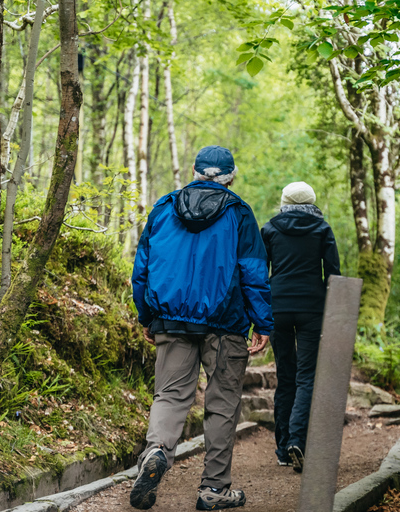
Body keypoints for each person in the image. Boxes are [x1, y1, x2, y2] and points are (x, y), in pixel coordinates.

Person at [131, 145, 273, 510]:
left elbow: (143, 266)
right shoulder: (239, 213)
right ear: (231, 176)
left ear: (194, 170)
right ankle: (214, 489)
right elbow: (254, 272)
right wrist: (263, 322)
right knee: (222, 402)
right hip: (225, 324)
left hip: (172, 318)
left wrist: (147, 314)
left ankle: (157, 451)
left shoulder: (165, 207)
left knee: (170, 395)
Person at [260, 181, 340, 473]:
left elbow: (259, 273)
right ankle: (298, 441)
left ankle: (282, 450)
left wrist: (258, 316)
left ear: (284, 201)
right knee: (307, 377)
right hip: (312, 309)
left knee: (286, 376)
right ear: (312, 202)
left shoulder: (269, 229)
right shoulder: (322, 230)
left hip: (277, 307)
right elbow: (333, 274)